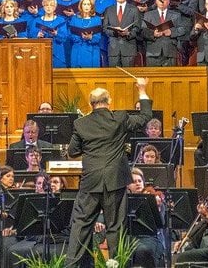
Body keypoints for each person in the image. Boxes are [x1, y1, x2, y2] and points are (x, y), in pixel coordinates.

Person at [64, 77, 152, 268]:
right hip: (115, 180)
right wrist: (142, 90)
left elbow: (72, 151)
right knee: (115, 227)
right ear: (109, 101)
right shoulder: (118, 118)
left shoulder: (81, 124)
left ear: (91, 103)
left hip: (90, 181)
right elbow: (145, 117)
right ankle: (117, 265)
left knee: (81, 225)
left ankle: (72, 265)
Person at [102, 0, 141, 67]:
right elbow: (105, 28)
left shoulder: (134, 9)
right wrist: (115, 32)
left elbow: (137, 27)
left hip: (128, 48)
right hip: (113, 49)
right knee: (113, 77)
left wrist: (128, 33)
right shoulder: (108, 10)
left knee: (129, 77)